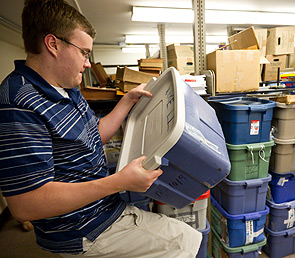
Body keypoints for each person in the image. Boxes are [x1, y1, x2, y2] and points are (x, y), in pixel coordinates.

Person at [0, 0, 202, 257]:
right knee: (186, 240)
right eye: (84, 53)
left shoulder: (67, 88)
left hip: (103, 208)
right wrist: (118, 182)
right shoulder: (19, 102)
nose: (87, 63)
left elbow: (92, 135)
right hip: (84, 228)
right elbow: (26, 205)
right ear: (53, 45)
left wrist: (127, 102)